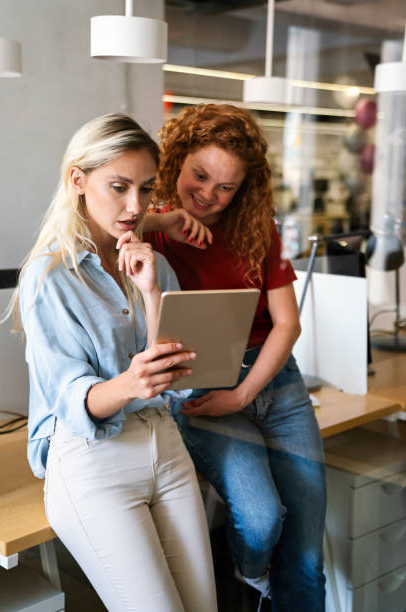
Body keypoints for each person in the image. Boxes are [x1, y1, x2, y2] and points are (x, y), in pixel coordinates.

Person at [9, 113, 218, 612]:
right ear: (78, 181)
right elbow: (74, 401)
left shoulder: (154, 264)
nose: (135, 206)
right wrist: (130, 382)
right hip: (93, 460)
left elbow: (182, 381)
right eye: (119, 187)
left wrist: (150, 292)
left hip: (165, 447)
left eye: (146, 189)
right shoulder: (49, 276)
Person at [143, 103, 327, 612]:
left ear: (243, 187)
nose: (208, 195)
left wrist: (244, 393)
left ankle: (271, 587)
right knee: (263, 518)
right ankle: (253, 579)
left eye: (225, 187)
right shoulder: (154, 224)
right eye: (199, 176)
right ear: (177, 159)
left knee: (307, 556)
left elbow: (288, 323)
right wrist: (164, 218)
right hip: (199, 385)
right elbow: (93, 230)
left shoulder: (258, 226)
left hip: (275, 384)